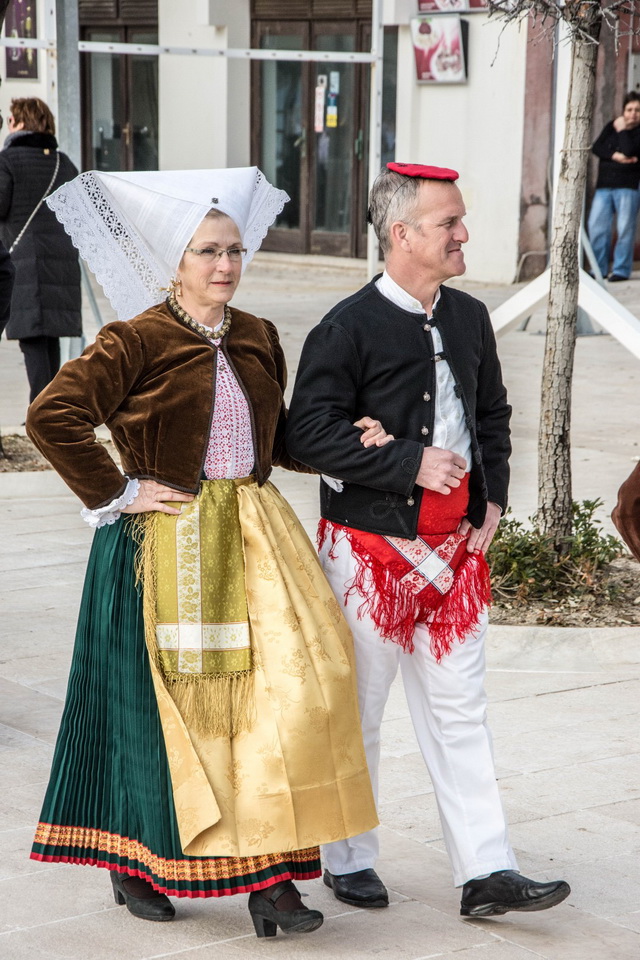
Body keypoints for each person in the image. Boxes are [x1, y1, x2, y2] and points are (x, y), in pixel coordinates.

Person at [26, 166, 381, 939]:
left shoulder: (257, 335)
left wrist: (348, 438)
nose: (224, 264)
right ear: (173, 261)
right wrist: (119, 491)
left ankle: (276, 883)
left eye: (232, 249)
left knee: (286, 705)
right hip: (163, 549)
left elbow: (278, 439)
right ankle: (136, 861)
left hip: (257, 540)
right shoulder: (134, 339)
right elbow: (52, 415)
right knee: (161, 715)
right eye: (205, 251)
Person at [286, 162, 571, 918]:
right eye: (449, 223)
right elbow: (305, 432)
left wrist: (495, 498)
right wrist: (407, 462)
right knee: (360, 710)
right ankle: (347, 858)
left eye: (460, 219)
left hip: (457, 561)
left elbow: (493, 416)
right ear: (401, 234)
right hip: (368, 557)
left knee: (460, 712)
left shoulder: (471, 317)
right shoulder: (345, 326)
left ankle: (485, 870)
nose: (464, 234)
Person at [0, 97, 81, 403]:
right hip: (60, 264)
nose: (8, 125)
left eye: (11, 119)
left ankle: (41, 414)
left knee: (33, 340)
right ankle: (51, 411)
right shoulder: (63, 162)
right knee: (49, 341)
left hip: (24, 262)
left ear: (20, 123)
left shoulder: (6, 161)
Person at [587, 92, 640, 282]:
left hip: (628, 186)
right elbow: (597, 148)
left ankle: (621, 270)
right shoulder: (612, 126)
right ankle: (598, 268)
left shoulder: (630, 130)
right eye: (629, 110)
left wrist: (623, 131)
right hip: (605, 185)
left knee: (625, 228)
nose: (633, 114)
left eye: (637, 110)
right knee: (597, 227)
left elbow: (630, 150)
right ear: (623, 111)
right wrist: (617, 157)